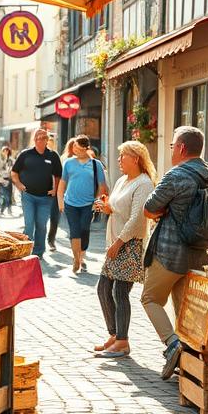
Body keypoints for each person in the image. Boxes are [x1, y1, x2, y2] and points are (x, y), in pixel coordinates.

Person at [141, 126, 208, 380]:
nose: (171, 150)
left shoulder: (175, 175)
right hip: (198, 252)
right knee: (184, 308)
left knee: (150, 299)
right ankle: (190, 365)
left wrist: (164, 210)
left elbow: (150, 208)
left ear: (182, 148)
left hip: (169, 252)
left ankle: (172, 344)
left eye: (172, 145)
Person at [92, 141, 157, 357]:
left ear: (136, 158)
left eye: (123, 156)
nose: (119, 160)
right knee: (103, 288)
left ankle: (123, 341)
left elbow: (138, 219)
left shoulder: (144, 184)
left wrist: (119, 242)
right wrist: (106, 206)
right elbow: (117, 208)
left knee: (119, 291)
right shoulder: (121, 180)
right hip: (115, 243)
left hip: (129, 244)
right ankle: (115, 335)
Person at [57, 134, 108, 272]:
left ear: (86, 149)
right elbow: (62, 184)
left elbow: (102, 187)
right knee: (74, 231)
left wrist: (97, 202)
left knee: (84, 231)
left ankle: (82, 256)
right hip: (70, 203)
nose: (74, 150)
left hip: (88, 204)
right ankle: (76, 259)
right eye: (74, 147)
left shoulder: (96, 165)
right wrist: (60, 201)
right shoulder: (68, 163)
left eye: (78, 148)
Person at [11, 129, 62, 258]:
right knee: (29, 224)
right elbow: (14, 172)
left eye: (43, 137)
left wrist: (56, 189)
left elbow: (58, 175)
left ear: (47, 140)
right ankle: (25, 250)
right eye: (38, 137)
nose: (41, 139)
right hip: (28, 196)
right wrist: (19, 185)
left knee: (41, 225)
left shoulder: (53, 156)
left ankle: (38, 252)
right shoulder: (25, 154)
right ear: (34, 140)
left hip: (46, 198)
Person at [0, 146, 15, 217]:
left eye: (7, 151)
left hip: (7, 179)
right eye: (4, 150)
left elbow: (13, 169)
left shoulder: (11, 160)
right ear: (2, 151)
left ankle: (6, 211)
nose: (5, 152)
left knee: (8, 196)